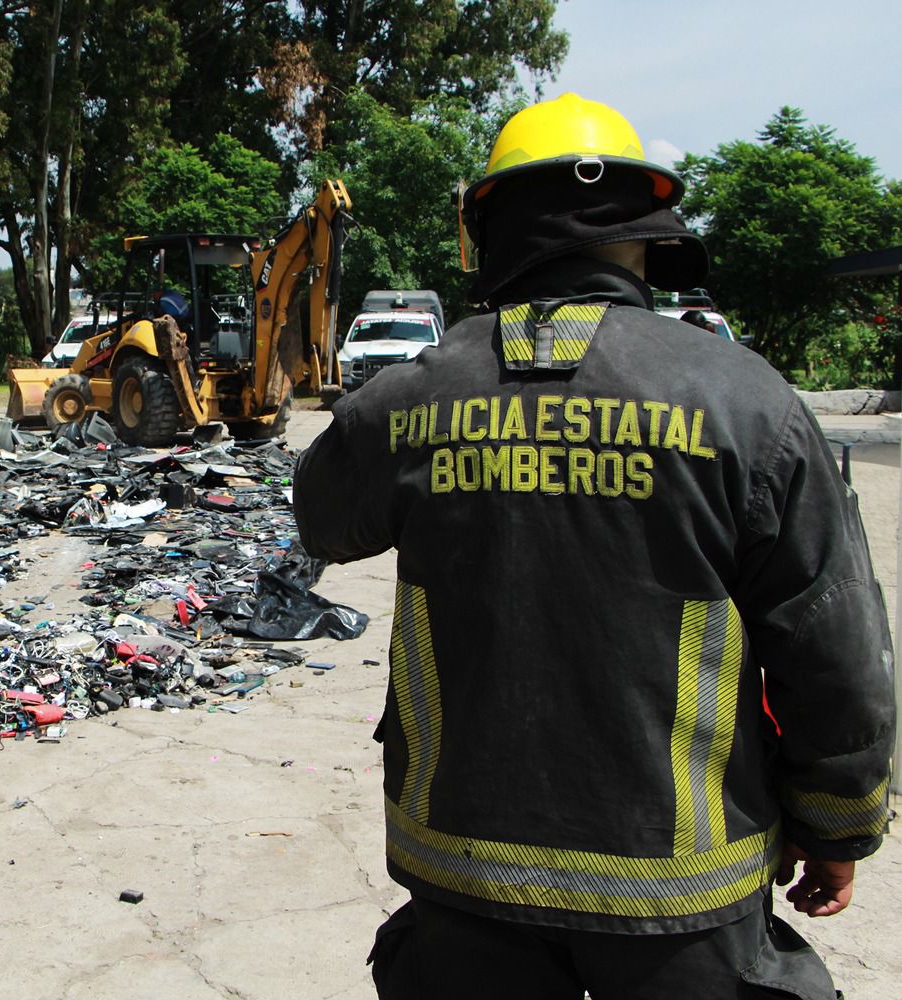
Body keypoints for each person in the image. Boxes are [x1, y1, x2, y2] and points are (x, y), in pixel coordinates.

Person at [293, 93, 894, 1000]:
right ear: (646, 233)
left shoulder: (415, 396)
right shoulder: (746, 400)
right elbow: (832, 647)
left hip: (465, 878)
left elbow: (321, 518)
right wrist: (837, 826)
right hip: (681, 901)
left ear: (486, 228)